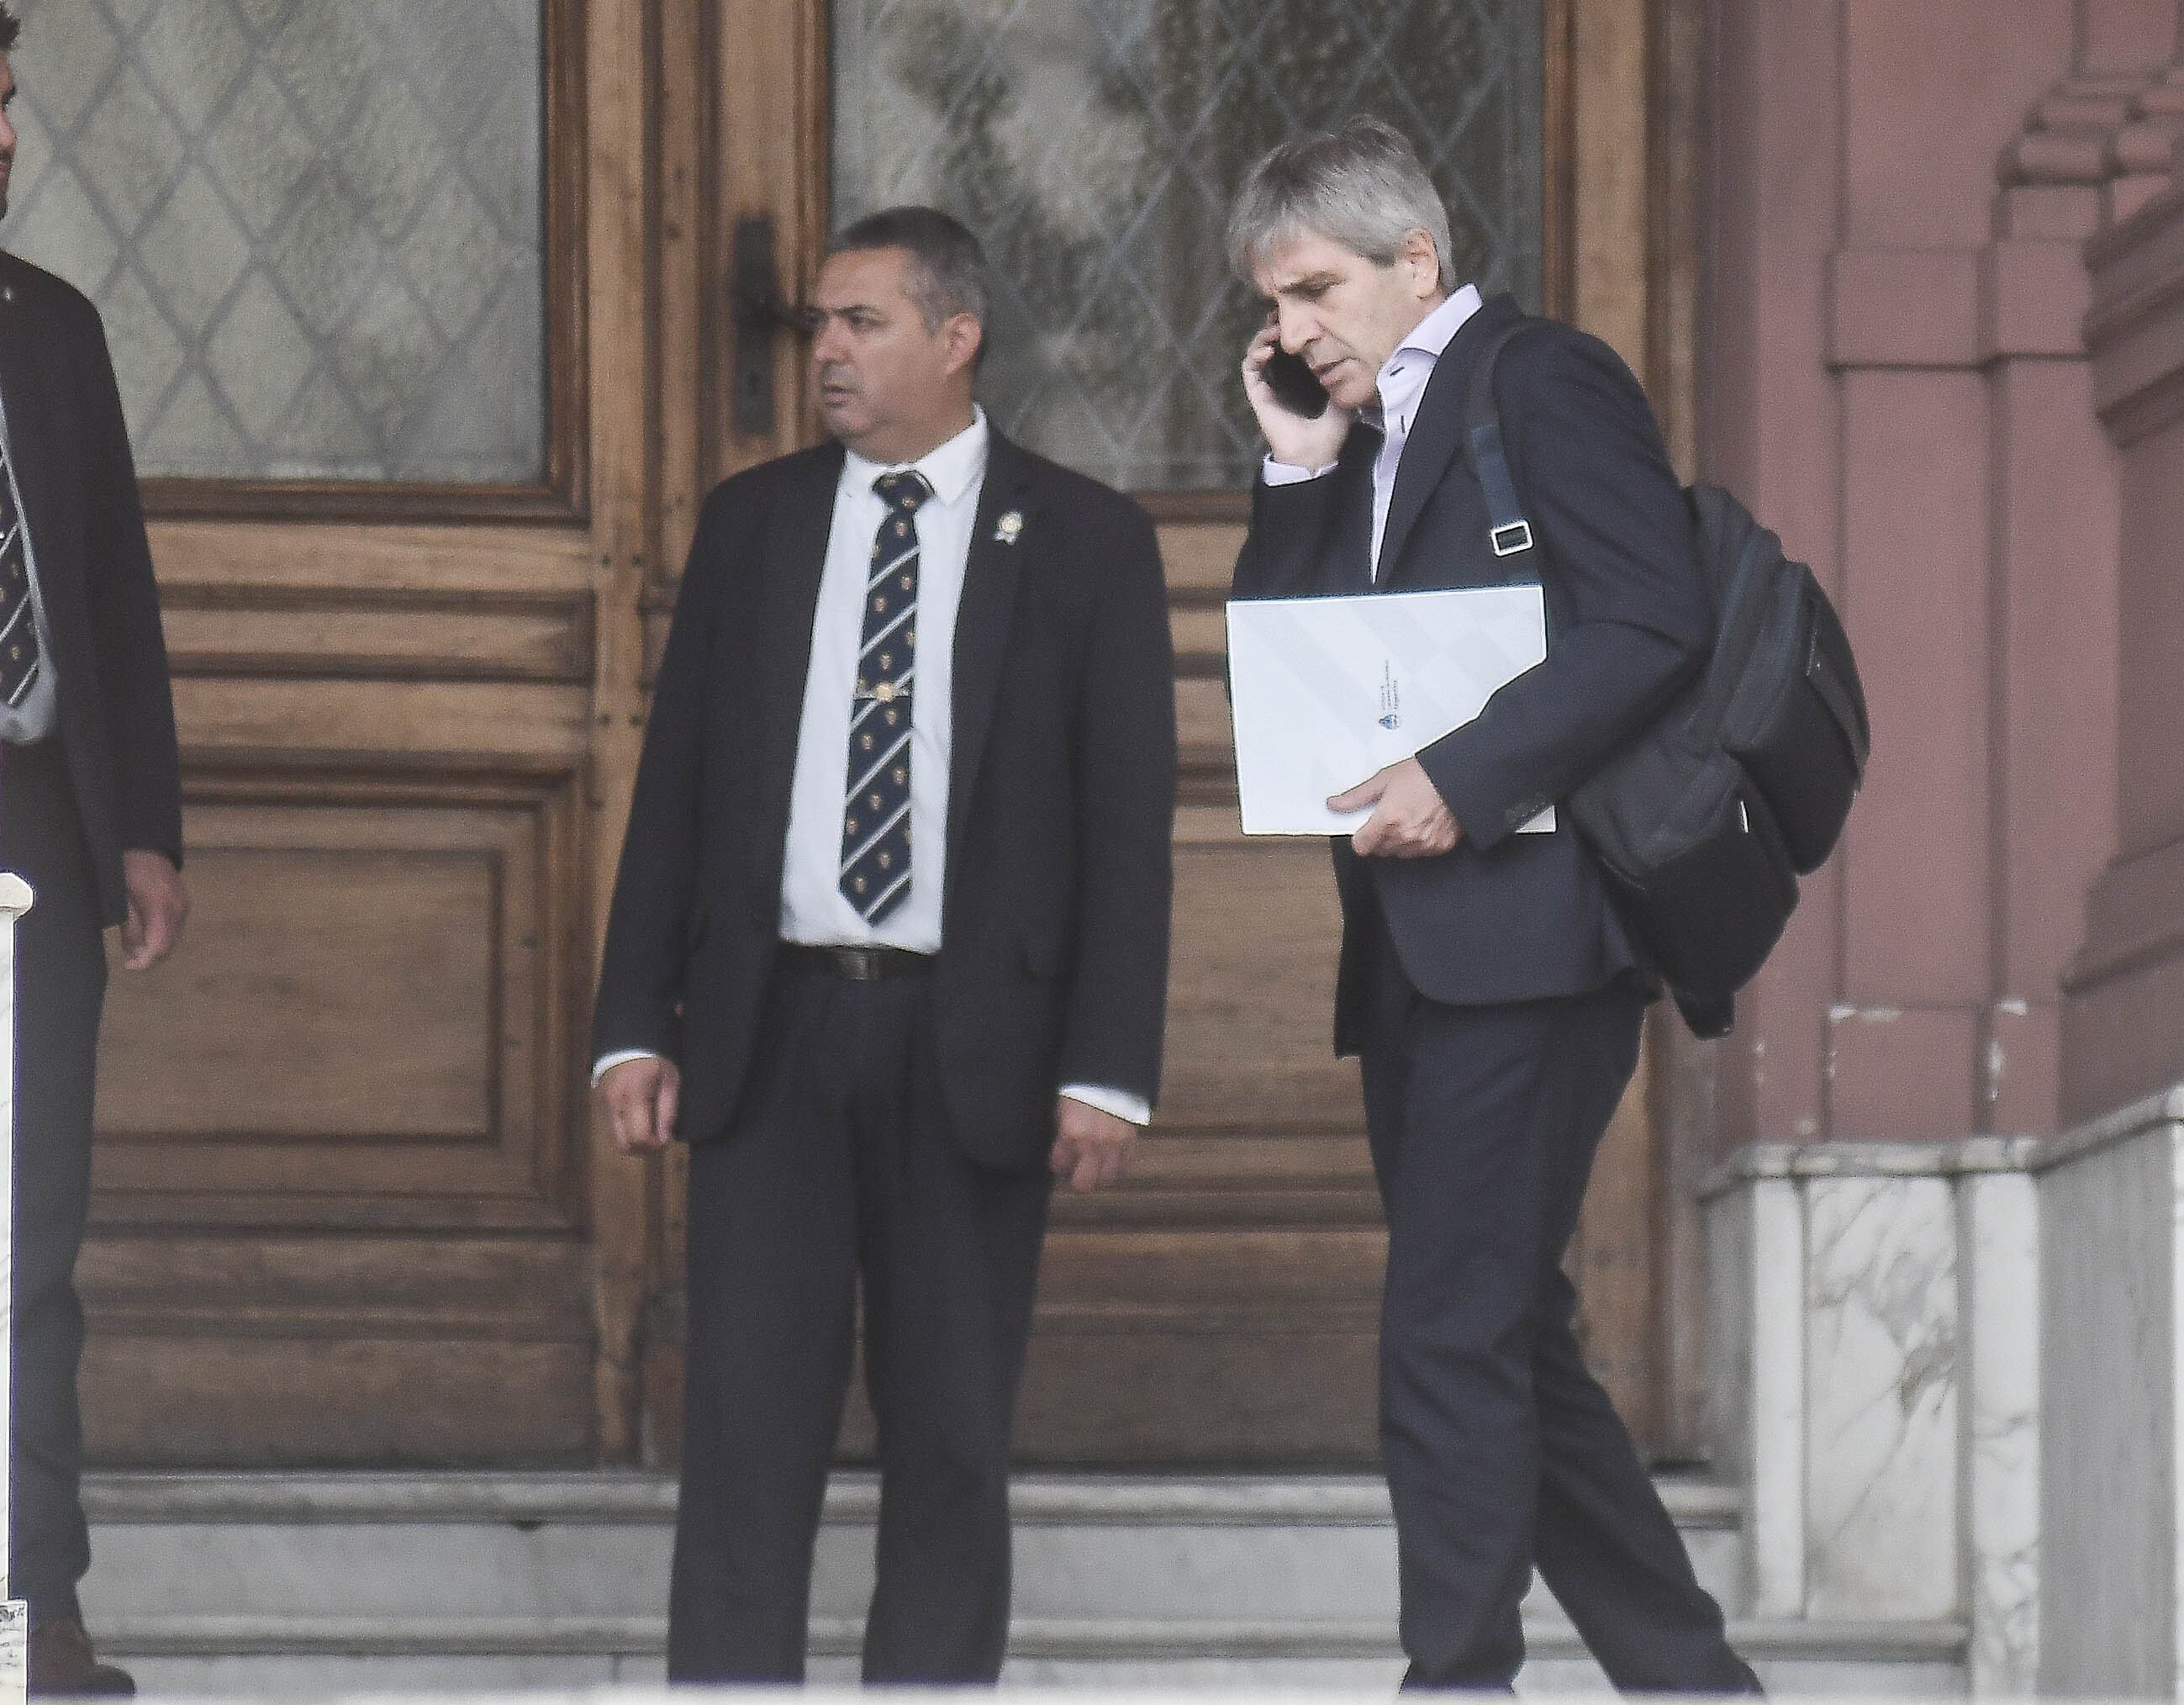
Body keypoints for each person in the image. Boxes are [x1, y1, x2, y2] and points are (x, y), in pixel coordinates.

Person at [590, 205, 1174, 1684]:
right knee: (745, 1426)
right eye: (820, 327)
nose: (827, 353)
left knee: (953, 1430)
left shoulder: (1091, 541)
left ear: (957, 338)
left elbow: (1127, 832)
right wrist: (631, 1019)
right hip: (772, 1029)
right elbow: (675, 788)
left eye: (862, 324)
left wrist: (1109, 1070)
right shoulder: (758, 522)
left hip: (971, 1040)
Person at [1227, 120, 1766, 1696]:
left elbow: (1653, 620)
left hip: (1533, 940)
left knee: (1447, 1341)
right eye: (1272, 304)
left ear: (1419, 260)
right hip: (1418, 952)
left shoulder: (1545, 378)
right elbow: (1295, 672)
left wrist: (1462, 776)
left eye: (1317, 291)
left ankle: (1454, 1679)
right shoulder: (1361, 432)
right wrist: (1298, 475)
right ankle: (1694, 1683)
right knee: (1506, 1337)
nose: (1292, 331)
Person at [0, 15, 189, 1697]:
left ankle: (31, 1601)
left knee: (24, 1223)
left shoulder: (51, 327)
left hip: (39, 818)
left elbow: (114, 596)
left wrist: (145, 828)